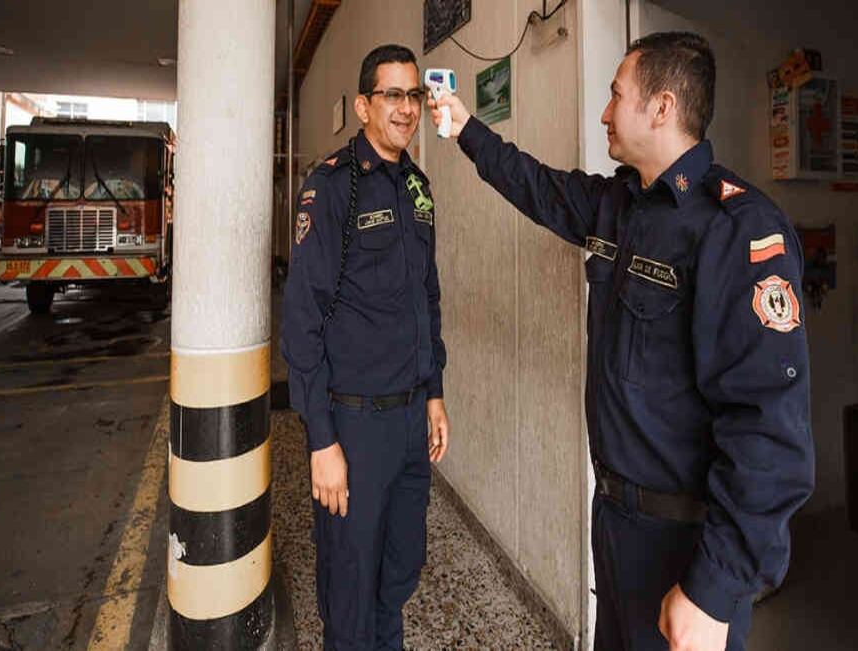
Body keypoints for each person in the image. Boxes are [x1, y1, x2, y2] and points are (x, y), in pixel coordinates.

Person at [430, 31, 814, 651]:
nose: (605, 112)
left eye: (616, 96)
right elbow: (534, 185)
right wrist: (465, 128)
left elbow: (769, 430)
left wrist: (713, 589)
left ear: (661, 107)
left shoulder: (737, 232)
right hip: (616, 521)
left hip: (687, 541)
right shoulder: (619, 204)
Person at [281, 43, 450, 651]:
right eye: (393, 95)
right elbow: (301, 320)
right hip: (353, 425)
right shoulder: (330, 188)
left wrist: (434, 394)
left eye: (415, 95)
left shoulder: (418, 187)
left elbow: (425, 298)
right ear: (363, 106)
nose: (407, 109)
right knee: (349, 592)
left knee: (398, 577)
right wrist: (321, 438)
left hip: (410, 421)